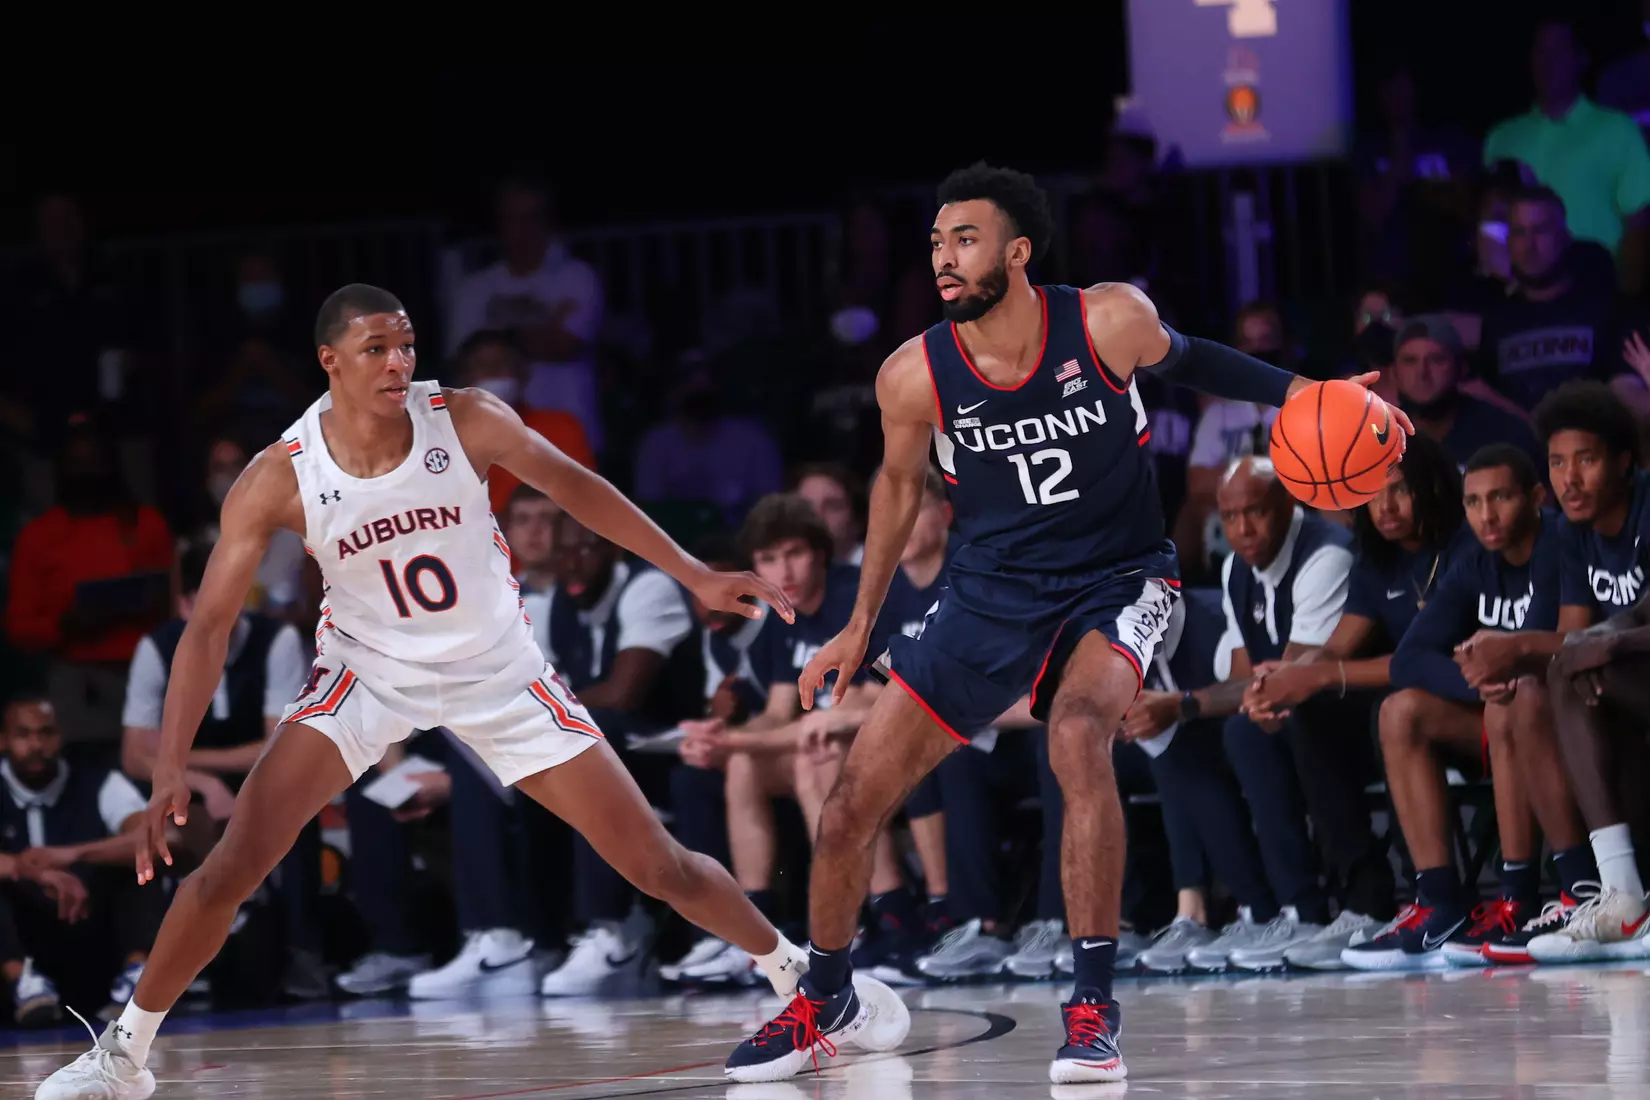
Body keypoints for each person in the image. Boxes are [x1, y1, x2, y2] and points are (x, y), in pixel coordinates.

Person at [34, 284, 810, 1100]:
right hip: (365, 674)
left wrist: (692, 572)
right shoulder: (279, 476)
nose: (399, 362)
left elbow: (576, 486)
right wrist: (169, 767)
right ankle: (124, 1055)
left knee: (659, 865)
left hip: (498, 672)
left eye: (406, 345)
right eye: (376, 349)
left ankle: (804, 980)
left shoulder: (467, 417)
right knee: (230, 868)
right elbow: (209, 628)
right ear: (330, 361)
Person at [725, 163, 1407, 1086]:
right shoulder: (912, 374)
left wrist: (1303, 393)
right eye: (934, 242)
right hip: (986, 590)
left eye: (962, 239)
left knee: (1079, 738)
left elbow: (1195, 354)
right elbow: (893, 488)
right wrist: (860, 624)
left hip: (1116, 576)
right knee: (850, 802)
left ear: (1017, 250)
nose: (942, 257)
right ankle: (827, 997)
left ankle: (1091, 1012)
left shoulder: (1104, 319)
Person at [1349, 444, 1594, 969]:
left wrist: (1508, 664)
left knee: (1518, 700)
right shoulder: (1474, 563)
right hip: (1504, 715)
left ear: (1535, 497)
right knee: (1400, 711)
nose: (1487, 515)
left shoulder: (1560, 544)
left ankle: (1530, 894)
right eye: (1475, 501)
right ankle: (1440, 902)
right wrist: (1477, 683)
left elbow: (1570, 647)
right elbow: (1409, 657)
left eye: (1500, 498)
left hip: (1570, 717)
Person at [1458, 382, 1650, 963]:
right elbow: (1587, 631)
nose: (1569, 479)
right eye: (1558, 463)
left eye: (1586, 461)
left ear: (1623, 461)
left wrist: (1603, 646)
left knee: (1572, 665)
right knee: (1563, 674)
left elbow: (1621, 627)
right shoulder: (1571, 530)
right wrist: (1586, 647)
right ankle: (1617, 893)